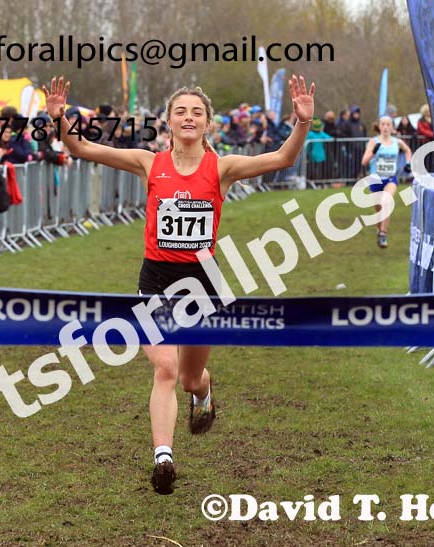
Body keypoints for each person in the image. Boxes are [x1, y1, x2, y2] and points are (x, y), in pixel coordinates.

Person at [42, 74, 315, 495]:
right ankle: (163, 458)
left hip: (204, 285)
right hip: (155, 282)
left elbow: (282, 159)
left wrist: (301, 122)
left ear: (208, 124)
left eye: (197, 112)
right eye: (181, 112)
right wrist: (60, 119)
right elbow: (80, 147)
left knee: (189, 378)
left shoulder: (222, 168)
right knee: (165, 368)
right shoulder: (149, 163)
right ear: (168, 121)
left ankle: (203, 392)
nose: (189, 118)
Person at [361, 115, 412, 249]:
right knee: (379, 210)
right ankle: (379, 230)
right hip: (375, 179)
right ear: (379, 126)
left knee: (386, 201)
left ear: (392, 127)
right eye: (383, 124)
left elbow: (408, 151)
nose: (385, 127)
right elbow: (364, 161)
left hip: (390, 178)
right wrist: (373, 152)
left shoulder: (397, 142)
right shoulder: (373, 141)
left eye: (388, 124)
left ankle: (383, 234)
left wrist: (408, 163)